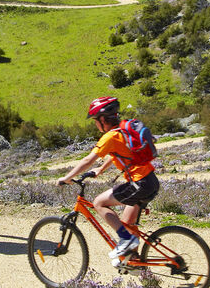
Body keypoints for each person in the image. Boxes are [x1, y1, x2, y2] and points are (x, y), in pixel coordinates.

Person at [58, 96, 161, 264]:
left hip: (139, 184)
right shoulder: (122, 130)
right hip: (150, 181)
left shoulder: (109, 137)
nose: (95, 124)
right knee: (127, 223)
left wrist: (67, 177)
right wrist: (101, 169)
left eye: (95, 120)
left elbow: (87, 160)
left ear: (103, 119)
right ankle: (134, 262)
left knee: (99, 202)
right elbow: (118, 153)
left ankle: (126, 241)